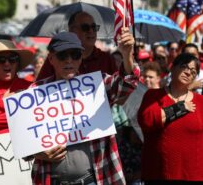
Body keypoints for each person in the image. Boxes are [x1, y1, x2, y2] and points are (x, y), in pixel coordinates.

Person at [31, 30, 139, 185]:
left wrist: (127, 55)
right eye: (62, 55)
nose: (69, 60)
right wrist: (39, 153)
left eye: (75, 55)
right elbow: (24, 144)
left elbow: (127, 83)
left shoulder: (96, 85)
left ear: (80, 59)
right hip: (51, 180)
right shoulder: (35, 93)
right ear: (51, 59)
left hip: (94, 180)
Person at [138, 53, 203, 184]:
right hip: (158, 175)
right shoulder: (153, 96)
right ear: (172, 68)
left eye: (193, 71)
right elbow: (147, 121)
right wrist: (179, 108)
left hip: (194, 176)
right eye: (184, 66)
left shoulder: (201, 102)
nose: (188, 72)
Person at [37, 11, 118, 80]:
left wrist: (127, 55)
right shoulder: (56, 58)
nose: (91, 31)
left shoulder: (106, 59)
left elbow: (120, 88)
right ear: (72, 30)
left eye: (94, 27)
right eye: (85, 27)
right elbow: (39, 90)